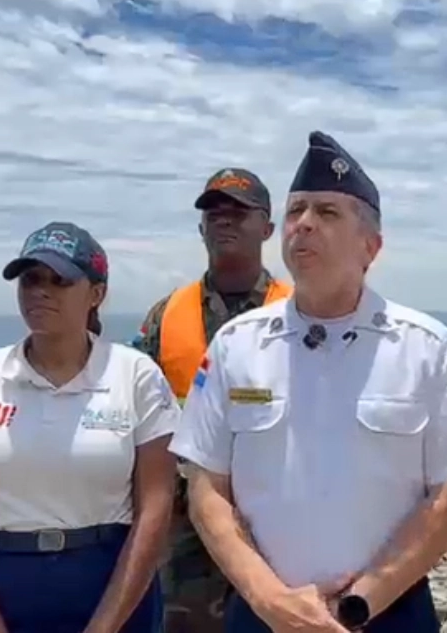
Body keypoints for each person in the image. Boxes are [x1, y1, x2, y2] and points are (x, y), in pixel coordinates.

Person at [168, 131, 447, 633]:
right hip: (263, 614)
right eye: (296, 210)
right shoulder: (236, 346)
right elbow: (206, 489)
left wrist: (359, 602)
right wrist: (271, 600)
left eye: (327, 212)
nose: (303, 223)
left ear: (371, 246)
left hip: (387, 613)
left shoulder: (425, 347)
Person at [0, 222, 180, 633]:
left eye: (60, 280)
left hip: (110, 580)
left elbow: (156, 508)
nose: (41, 292)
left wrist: (103, 628)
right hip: (1, 583)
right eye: (31, 279)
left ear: (96, 294)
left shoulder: (136, 376)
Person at [133, 167, 292, 633]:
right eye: (213, 213)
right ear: (201, 228)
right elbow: (136, 411)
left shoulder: (301, 313)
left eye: (239, 212)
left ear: (267, 228)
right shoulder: (166, 315)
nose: (224, 220)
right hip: (185, 530)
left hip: (280, 516)